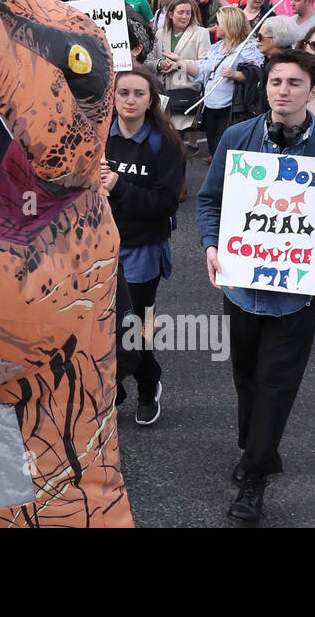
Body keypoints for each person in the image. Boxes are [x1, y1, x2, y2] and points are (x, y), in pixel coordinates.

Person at [197, 50, 315, 524]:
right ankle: (258, 447)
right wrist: (210, 245)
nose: (282, 90)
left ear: (313, 90)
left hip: (297, 295)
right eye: (275, 82)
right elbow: (210, 201)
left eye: (294, 83)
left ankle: (254, 476)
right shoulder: (236, 137)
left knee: (276, 384)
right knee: (246, 377)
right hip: (242, 288)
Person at [103, 66, 187, 426]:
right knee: (100, 325)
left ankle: (145, 383)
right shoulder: (96, 136)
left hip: (142, 250)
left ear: (152, 100)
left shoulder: (164, 144)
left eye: (139, 93)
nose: (130, 100)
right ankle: (115, 385)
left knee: (134, 328)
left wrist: (118, 186)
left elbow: (165, 204)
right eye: (123, 93)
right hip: (98, 248)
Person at [182, 5, 264, 156]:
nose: (215, 27)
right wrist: (179, 63)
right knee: (214, 148)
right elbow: (203, 73)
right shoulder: (216, 47)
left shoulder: (247, 47)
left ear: (229, 25)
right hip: (211, 105)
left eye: (218, 23)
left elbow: (258, 75)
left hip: (231, 108)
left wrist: (236, 74)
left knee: (226, 150)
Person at [149, 0, 210, 148]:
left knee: (177, 144)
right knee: (160, 143)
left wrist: (178, 64)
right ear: (170, 14)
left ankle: (180, 172)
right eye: (181, 12)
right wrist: (159, 64)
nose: (185, 16)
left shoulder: (200, 33)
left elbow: (206, 64)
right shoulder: (159, 33)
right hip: (161, 95)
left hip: (184, 95)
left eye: (188, 13)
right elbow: (149, 61)